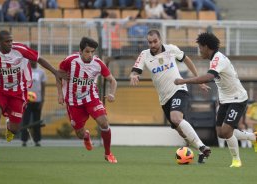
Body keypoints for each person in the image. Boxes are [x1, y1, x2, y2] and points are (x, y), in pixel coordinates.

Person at [0, 30, 67, 162]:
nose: (10, 43)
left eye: (11, 40)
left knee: (14, 129)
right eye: (7, 41)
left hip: (18, 92)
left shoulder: (20, 49)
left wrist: (55, 72)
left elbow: (39, 59)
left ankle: (9, 127)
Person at [174, 32, 257, 167]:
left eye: (200, 47)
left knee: (226, 131)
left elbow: (208, 77)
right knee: (220, 133)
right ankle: (253, 138)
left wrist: (183, 80)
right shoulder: (214, 59)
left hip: (237, 99)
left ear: (206, 47)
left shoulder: (218, 59)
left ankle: (236, 160)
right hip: (225, 100)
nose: (199, 51)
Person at [130, 29, 211, 163]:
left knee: (176, 117)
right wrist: (133, 75)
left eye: (155, 41)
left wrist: (198, 79)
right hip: (164, 98)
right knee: (180, 131)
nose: (152, 45)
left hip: (179, 89)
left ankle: (202, 146)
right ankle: (199, 150)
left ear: (160, 40)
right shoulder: (144, 55)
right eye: (150, 42)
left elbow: (187, 60)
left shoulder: (171, 49)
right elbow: (135, 70)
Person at [56, 37, 118, 164]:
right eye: (87, 52)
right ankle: (86, 136)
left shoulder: (98, 63)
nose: (90, 55)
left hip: (91, 97)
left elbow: (113, 80)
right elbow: (59, 75)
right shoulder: (70, 61)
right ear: (80, 50)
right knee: (79, 133)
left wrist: (112, 94)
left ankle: (108, 153)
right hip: (73, 101)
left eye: (92, 52)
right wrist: (60, 94)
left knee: (104, 123)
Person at [21, 61, 46, 147]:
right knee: (26, 121)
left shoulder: (41, 72)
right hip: (27, 101)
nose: (33, 61)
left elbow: (43, 87)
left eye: (35, 59)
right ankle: (24, 140)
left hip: (37, 100)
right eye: (31, 59)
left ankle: (37, 141)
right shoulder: (25, 71)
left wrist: (42, 100)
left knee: (37, 121)